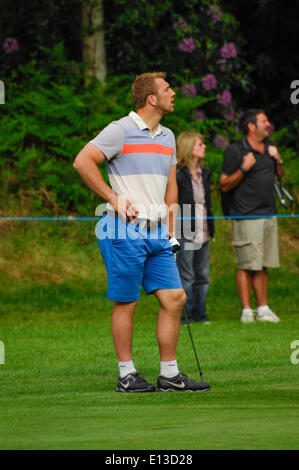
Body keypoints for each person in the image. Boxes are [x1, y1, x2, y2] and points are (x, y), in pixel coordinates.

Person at [73, 72, 210, 392]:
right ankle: (126, 375)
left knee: (175, 298)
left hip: (158, 232)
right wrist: (114, 198)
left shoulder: (168, 136)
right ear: (152, 98)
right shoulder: (120, 130)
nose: (173, 93)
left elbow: (171, 188)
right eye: (167, 89)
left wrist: (173, 232)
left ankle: (170, 375)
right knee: (127, 302)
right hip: (122, 229)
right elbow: (83, 162)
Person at [220, 109, 284, 323]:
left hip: (269, 214)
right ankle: (247, 311)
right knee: (246, 264)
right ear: (251, 126)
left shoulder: (270, 147)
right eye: (264, 121)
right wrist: (244, 168)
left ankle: (263, 308)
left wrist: (279, 160)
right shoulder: (235, 150)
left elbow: (279, 178)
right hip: (246, 215)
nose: (268, 124)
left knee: (263, 264)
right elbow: (225, 184)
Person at [176, 131, 215, 325]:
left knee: (203, 276)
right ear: (188, 147)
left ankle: (202, 315)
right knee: (187, 276)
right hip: (185, 231)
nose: (204, 147)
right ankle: (186, 316)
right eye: (200, 144)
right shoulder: (178, 174)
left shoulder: (205, 173)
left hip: (204, 231)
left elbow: (207, 204)